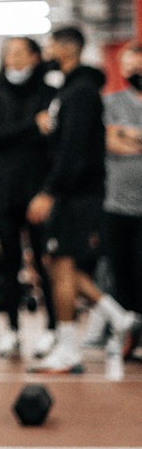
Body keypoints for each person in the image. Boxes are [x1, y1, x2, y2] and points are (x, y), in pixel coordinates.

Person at [27, 26, 137, 374]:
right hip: (77, 192)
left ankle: (70, 349)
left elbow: (73, 151)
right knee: (61, 266)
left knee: (61, 267)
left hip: (78, 194)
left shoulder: (81, 91)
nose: (45, 52)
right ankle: (119, 317)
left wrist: (49, 191)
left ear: (65, 48)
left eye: (49, 46)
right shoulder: (71, 90)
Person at [0, 37, 58, 358]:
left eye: (19, 53)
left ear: (34, 56)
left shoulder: (50, 93)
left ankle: (53, 328)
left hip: (38, 190)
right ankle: (12, 330)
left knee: (45, 262)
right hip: (4, 192)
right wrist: (31, 126)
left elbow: (53, 141)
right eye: (7, 54)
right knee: (8, 263)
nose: (13, 59)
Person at [102, 40, 142, 367]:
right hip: (116, 204)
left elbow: (122, 137)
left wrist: (130, 135)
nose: (133, 72)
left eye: (138, 67)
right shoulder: (111, 102)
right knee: (122, 276)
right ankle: (129, 337)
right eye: (128, 67)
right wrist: (125, 137)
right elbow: (110, 140)